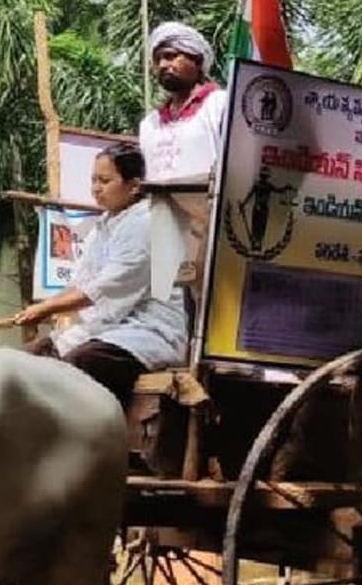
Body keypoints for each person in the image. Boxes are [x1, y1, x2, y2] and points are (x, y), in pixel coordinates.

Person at [12, 143, 187, 410]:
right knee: (27, 359)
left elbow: (109, 286)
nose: (95, 188)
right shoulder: (104, 225)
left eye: (105, 180)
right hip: (108, 327)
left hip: (148, 330)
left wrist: (47, 307)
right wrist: (47, 309)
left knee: (82, 362)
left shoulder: (147, 223)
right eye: (93, 180)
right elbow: (80, 282)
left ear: (134, 185)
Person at [138, 21, 230, 183]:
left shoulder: (220, 105)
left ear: (197, 61)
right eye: (157, 60)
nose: (163, 65)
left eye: (170, 56)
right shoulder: (149, 124)